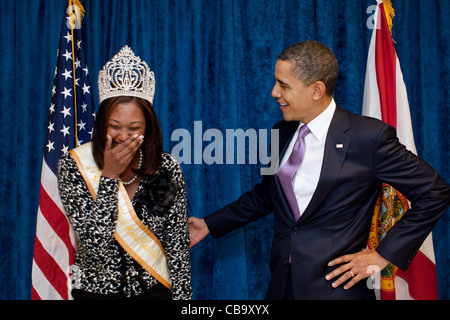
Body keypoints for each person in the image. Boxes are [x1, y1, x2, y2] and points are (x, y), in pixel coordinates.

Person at [188, 41, 450, 300]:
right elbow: (267, 195)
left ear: (316, 90)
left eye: (284, 85)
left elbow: (435, 192)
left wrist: (383, 254)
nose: (273, 92)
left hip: (335, 291)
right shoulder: (282, 131)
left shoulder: (369, 137)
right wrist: (210, 224)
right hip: (281, 286)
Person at [58, 46, 192, 300]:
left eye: (134, 128)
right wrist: (108, 177)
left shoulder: (166, 166)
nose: (123, 136)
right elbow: (94, 245)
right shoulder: (74, 165)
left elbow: (177, 245)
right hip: (96, 293)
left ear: (148, 127)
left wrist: (183, 299)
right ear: (101, 124)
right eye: (114, 126)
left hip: (155, 291)